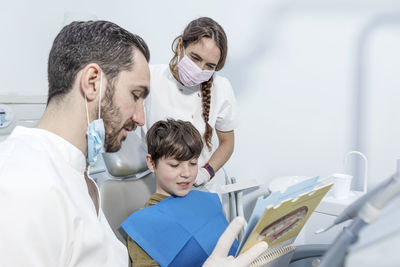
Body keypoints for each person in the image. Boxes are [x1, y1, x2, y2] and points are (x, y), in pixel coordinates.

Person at [0, 20, 266, 266]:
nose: (141, 119)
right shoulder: (23, 187)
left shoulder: (78, 179)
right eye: (135, 95)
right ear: (92, 82)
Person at [123, 119, 238, 266]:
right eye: (175, 165)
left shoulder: (206, 201)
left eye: (193, 163)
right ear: (152, 163)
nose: (186, 173)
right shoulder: (142, 225)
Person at [143, 17, 237, 190]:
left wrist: (206, 172)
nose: (200, 69)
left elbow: (227, 143)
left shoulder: (221, 88)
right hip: (159, 185)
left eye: (209, 66)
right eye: (195, 58)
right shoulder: (150, 77)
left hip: (202, 186)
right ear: (181, 45)